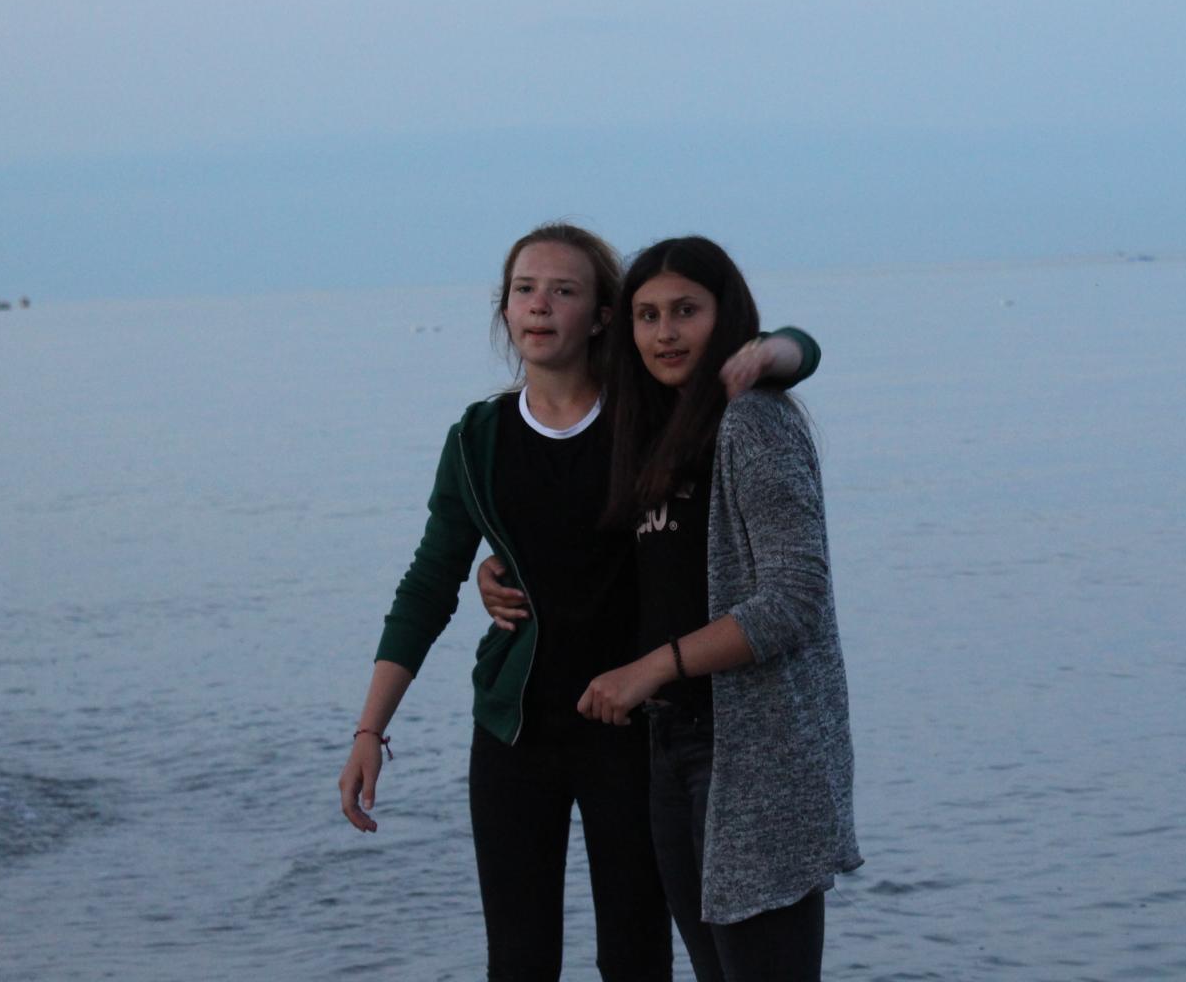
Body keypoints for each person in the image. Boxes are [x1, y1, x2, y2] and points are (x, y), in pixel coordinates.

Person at [337, 223, 820, 982]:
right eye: (524, 290)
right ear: (504, 309)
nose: (540, 305)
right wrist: (371, 728)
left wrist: (769, 352)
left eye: (563, 291)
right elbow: (427, 584)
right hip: (515, 726)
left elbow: (796, 352)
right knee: (518, 960)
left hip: (632, 727)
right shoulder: (477, 438)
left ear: (600, 316)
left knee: (634, 956)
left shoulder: (651, 416)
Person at [552, 235, 858, 982]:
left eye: (686, 311)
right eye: (648, 315)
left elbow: (793, 598)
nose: (665, 332)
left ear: (727, 318)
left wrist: (651, 668)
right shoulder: (650, 431)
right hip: (671, 745)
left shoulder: (752, 422)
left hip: (750, 749)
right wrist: (496, 567)